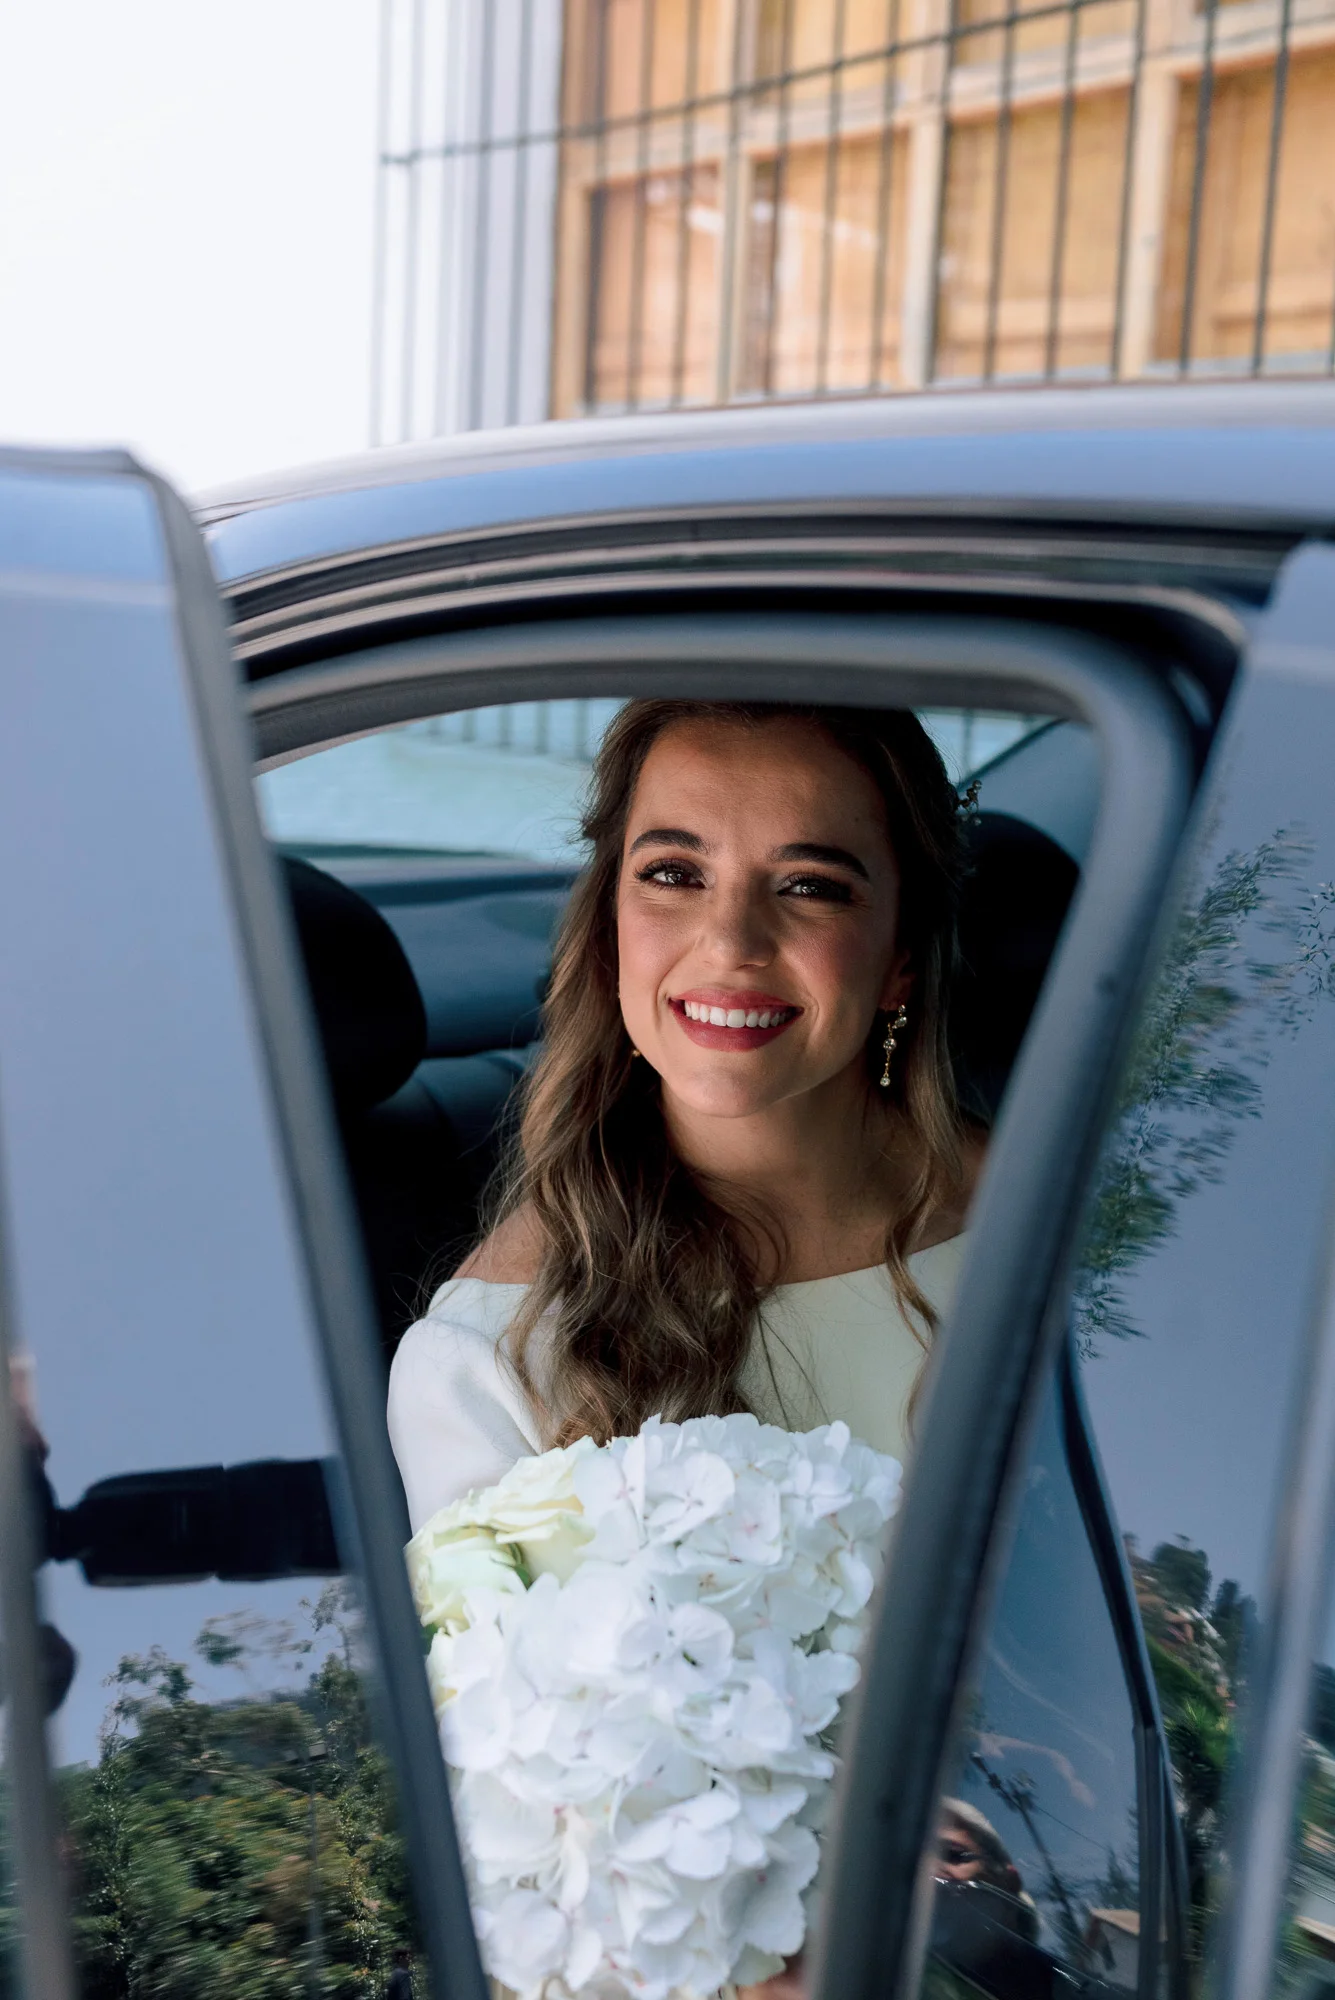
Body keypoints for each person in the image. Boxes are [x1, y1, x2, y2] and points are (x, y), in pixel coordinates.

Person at [388, 699, 985, 1999]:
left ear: (896, 959)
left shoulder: (1062, 1233)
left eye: (810, 886)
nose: (730, 941)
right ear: (608, 923)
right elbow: (552, 1859)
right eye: (673, 873)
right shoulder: (493, 1355)